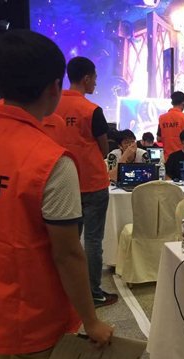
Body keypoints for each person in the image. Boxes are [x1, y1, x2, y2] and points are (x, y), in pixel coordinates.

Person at [0, 29, 113, 359]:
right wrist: (91, 321)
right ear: (54, 87)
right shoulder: (50, 161)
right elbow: (68, 254)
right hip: (32, 312)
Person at [55, 56, 117, 308]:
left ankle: (65, 291)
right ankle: (93, 293)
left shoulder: (52, 105)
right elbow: (104, 149)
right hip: (92, 182)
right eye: (95, 78)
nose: (96, 83)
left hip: (62, 182)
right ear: (87, 78)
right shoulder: (91, 110)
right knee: (92, 240)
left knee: (67, 242)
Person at [157, 91, 184, 161]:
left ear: (172, 103)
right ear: (183, 103)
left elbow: (158, 138)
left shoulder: (162, 118)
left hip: (168, 159)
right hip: (183, 158)